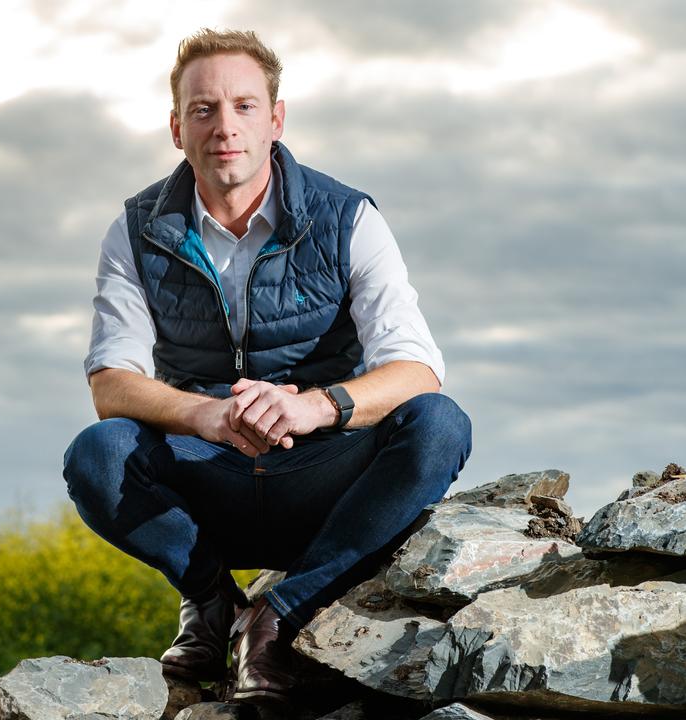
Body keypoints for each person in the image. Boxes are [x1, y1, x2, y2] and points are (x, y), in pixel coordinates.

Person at [61, 28, 473, 704]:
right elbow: (111, 382)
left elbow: (416, 366)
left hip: (324, 483)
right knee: (98, 454)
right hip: (206, 480)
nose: (225, 126)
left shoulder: (349, 218)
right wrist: (207, 415)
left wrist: (317, 405)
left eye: (245, 106)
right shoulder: (134, 231)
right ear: (176, 128)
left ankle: (277, 616)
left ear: (276, 119)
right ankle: (209, 598)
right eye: (204, 109)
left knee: (439, 425)